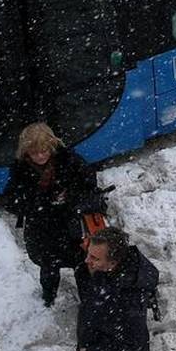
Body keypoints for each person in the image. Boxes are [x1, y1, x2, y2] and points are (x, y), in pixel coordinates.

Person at [8, 122, 105, 307]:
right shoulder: (20, 170)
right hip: (42, 228)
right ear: (26, 152)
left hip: (70, 224)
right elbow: (13, 200)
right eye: (34, 152)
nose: (40, 156)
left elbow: (88, 183)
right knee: (49, 266)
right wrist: (39, 203)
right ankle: (48, 297)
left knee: (81, 263)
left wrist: (70, 197)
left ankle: (88, 299)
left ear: (52, 146)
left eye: (44, 151)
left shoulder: (69, 160)